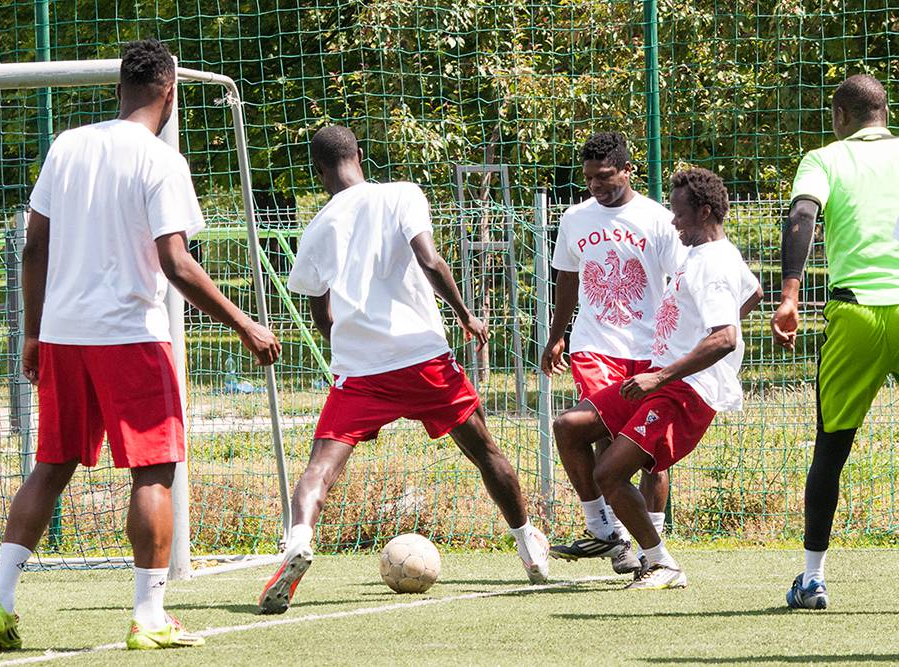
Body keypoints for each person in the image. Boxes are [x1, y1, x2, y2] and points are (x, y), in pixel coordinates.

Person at [0, 39, 280, 651]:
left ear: (119, 89)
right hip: (130, 337)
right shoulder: (160, 158)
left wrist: (34, 331)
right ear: (169, 91)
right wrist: (243, 322)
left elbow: (35, 247)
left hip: (63, 336)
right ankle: (149, 615)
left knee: (52, 465)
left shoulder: (67, 146)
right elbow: (175, 261)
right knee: (153, 469)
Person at [258, 125, 550, 614]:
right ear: (360, 155)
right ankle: (528, 546)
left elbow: (319, 312)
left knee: (319, 468)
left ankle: (298, 542)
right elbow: (429, 259)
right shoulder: (400, 194)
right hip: (421, 356)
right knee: (483, 449)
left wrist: (348, 352)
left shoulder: (318, 227)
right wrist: (465, 314)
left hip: (361, 371)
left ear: (318, 171)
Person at [553, 168, 761, 590]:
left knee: (609, 472)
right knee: (570, 427)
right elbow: (753, 293)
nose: (672, 221)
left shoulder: (713, 265)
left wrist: (663, 374)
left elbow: (723, 338)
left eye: (679, 213)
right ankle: (605, 532)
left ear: (704, 212)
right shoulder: (709, 255)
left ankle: (661, 562)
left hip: (684, 391)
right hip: (662, 379)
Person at [772, 74, 899, 610]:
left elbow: (803, 216)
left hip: (857, 315)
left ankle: (813, 578)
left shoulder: (824, 158)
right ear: (885, 112)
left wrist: (789, 295)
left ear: (841, 116)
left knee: (831, 448)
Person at [541, 132, 684, 575]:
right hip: (595, 347)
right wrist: (556, 335)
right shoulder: (574, 219)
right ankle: (606, 529)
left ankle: (642, 544)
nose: (597, 187)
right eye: (589, 179)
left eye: (605, 177)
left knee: (645, 451)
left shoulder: (658, 220)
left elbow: (679, 287)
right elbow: (566, 278)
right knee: (596, 434)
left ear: (627, 170)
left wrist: (678, 349)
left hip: (650, 352)